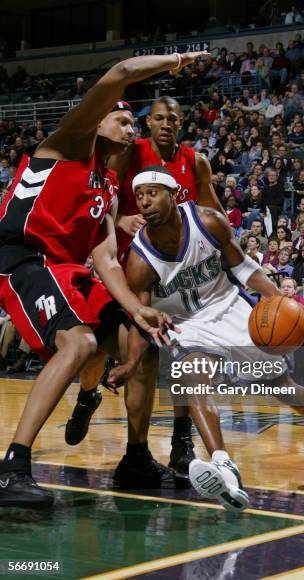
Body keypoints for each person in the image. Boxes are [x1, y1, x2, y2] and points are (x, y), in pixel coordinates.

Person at [0, 52, 210, 509]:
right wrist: (179, 59)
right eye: (121, 117)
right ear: (96, 123)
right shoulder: (70, 142)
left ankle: (135, 457)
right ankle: (12, 466)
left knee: (145, 341)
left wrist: (139, 310)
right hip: (23, 258)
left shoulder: (110, 186)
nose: (130, 126)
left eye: (133, 123)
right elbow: (118, 74)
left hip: (68, 269)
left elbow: (107, 260)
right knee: (80, 343)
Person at [118, 166, 304, 510]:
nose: (144, 202)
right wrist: (130, 363)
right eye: (139, 196)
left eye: (152, 193)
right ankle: (222, 463)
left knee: (282, 386)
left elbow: (245, 268)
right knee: (191, 377)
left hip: (229, 307)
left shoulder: (208, 222)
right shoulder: (140, 260)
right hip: (187, 324)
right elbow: (141, 320)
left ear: (173, 195)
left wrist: (279, 299)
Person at [65, 93, 224, 484]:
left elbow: (215, 212)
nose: (166, 123)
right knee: (99, 354)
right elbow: (104, 195)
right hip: (124, 270)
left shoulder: (195, 162)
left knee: (184, 355)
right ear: (148, 122)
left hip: (174, 275)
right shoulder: (127, 151)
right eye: (158, 117)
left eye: (173, 117)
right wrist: (119, 222)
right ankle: (87, 395)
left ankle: (180, 444)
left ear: (181, 121)